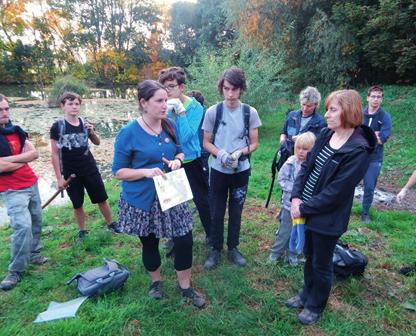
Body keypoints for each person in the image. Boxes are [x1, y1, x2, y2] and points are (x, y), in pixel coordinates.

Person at [112, 80, 205, 308]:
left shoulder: (169, 124)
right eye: (159, 101)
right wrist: (146, 172)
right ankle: (156, 282)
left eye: (166, 100)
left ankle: (184, 286)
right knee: (150, 243)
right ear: (144, 103)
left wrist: (176, 161)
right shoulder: (128, 133)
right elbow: (118, 172)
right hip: (143, 199)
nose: (165, 105)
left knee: (184, 239)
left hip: (171, 193)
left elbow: (181, 152)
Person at [286, 90, 376, 325]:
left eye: (332, 109)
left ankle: (316, 305)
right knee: (309, 256)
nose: (326, 114)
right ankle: (306, 294)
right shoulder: (326, 134)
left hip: (327, 217)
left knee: (322, 263)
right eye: (327, 109)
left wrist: (303, 208)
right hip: (305, 207)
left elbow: (336, 193)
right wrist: (296, 197)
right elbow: (306, 167)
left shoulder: (358, 150)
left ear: (348, 111)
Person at [202, 66, 262, 269]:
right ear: (221, 88)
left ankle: (233, 248)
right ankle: (215, 249)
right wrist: (221, 153)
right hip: (218, 171)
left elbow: (254, 143)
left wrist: (239, 153)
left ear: (241, 89)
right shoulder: (213, 111)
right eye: (226, 88)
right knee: (216, 210)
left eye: (234, 89)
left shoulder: (249, 112)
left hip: (241, 171)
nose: (230, 94)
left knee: (236, 210)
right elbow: (206, 142)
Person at [50, 92, 116, 239]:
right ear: (62, 106)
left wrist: (92, 131)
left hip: (89, 168)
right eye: (70, 104)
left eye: (77, 104)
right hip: (70, 173)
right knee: (77, 203)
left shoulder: (84, 122)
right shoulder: (57, 127)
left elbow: (97, 142)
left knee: (101, 198)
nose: (74, 107)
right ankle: (82, 231)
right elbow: (54, 154)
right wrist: (59, 178)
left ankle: (111, 224)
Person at [158, 67, 212, 246]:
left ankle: (211, 233)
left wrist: (180, 112)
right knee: (173, 201)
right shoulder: (162, 105)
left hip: (191, 160)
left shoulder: (196, 107)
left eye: (171, 86)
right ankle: (175, 237)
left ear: (181, 87)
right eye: (164, 87)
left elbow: (187, 136)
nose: (167, 91)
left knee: (201, 199)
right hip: (170, 160)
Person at [0, 94, 48, 291]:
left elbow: (35, 153)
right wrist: (22, 159)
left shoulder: (17, 131)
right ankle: (15, 270)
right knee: (22, 226)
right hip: (11, 189)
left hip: (31, 182)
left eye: (6, 109)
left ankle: (34, 253)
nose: (4, 113)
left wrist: (9, 161)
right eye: (0, 110)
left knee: (36, 220)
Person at [268, 132, 316, 265]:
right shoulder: (290, 163)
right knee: (285, 231)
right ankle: (275, 254)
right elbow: (282, 180)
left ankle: (292, 256)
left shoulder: (315, 165)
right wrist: (296, 190)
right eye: (298, 148)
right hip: (289, 206)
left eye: (305, 149)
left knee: (299, 232)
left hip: (305, 208)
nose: (301, 152)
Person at [361, 86, 392, 224]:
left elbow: (382, 139)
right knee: (348, 181)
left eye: (379, 97)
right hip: (358, 156)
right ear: (367, 98)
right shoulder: (360, 114)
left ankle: (365, 213)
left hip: (374, 158)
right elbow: (352, 133)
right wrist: (373, 135)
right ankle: (343, 207)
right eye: (373, 96)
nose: (375, 99)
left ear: (382, 99)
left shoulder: (384, 117)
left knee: (369, 186)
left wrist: (366, 136)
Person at [278, 86, 325, 168]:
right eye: (303, 104)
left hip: (304, 159)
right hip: (287, 154)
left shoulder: (320, 122)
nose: (305, 108)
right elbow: (284, 132)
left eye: (309, 106)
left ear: (316, 105)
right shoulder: (292, 115)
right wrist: (282, 138)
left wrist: (302, 139)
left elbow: (319, 143)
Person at [187, 90, 210, 186]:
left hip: (201, 148)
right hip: (201, 148)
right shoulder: (207, 112)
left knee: (202, 172)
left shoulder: (205, 114)